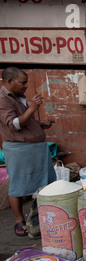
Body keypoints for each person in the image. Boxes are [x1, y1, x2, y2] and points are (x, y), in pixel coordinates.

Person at [0, 67, 56, 237]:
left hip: (35, 148)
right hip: (19, 149)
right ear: (9, 81)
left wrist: (39, 123)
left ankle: (40, 217)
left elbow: (26, 122)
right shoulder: (3, 99)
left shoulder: (18, 97)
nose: (26, 86)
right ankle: (19, 222)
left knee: (44, 182)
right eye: (23, 83)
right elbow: (15, 124)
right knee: (18, 186)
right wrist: (33, 107)